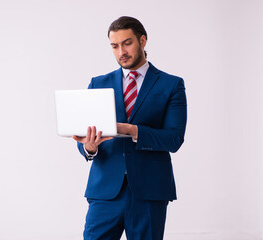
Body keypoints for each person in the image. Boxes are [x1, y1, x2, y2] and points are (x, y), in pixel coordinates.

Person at [72, 16, 187, 240]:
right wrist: (90, 148)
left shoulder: (171, 84)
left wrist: (132, 130)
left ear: (142, 41)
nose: (121, 51)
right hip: (105, 192)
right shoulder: (98, 83)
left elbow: (174, 139)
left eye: (127, 43)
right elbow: (85, 139)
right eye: (114, 46)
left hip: (149, 191)